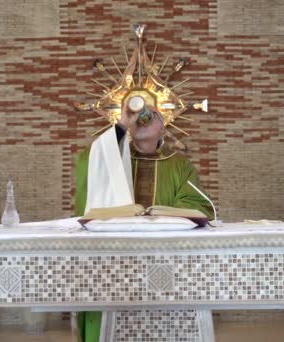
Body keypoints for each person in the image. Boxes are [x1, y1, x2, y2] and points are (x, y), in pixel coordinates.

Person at [73, 100, 214, 342]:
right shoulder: (113, 158)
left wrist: (157, 218)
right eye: (136, 116)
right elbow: (90, 163)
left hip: (168, 259)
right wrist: (122, 124)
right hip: (116, 260)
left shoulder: (179, 164)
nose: (143, 118)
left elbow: (197, 205)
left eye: (152, 114)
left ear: (163, 126)